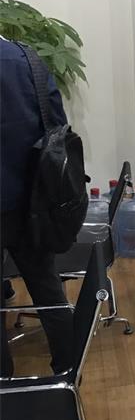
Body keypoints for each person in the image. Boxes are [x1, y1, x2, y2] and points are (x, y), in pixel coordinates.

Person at [0, 37, 75, 376]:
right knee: (47, 289)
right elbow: (58, 129)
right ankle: (67, 369)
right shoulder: (29, 60)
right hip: (31, 202)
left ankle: (4, 382)